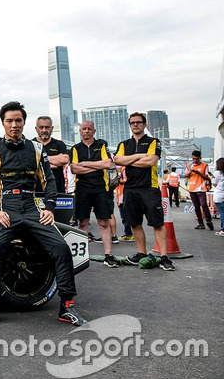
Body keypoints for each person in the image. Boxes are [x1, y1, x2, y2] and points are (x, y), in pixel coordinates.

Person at [0, 101, 85, 327]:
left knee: (61, 248)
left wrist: (50, 209)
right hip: (7, 208)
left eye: (18, 120)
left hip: (33, 208)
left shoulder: (37, 148)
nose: (14, 125)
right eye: (9, 121)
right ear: (3, 123)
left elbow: (49, 182)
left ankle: (67, 306)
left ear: (24, 122)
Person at [114, 112, 174, 270]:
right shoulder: (123, 144)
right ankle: (141, 253)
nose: (135, 125)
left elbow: (151, 161)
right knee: (134, 223)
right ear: (130, 125)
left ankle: (164, 257)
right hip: (130, 189)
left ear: (145, 124)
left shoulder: (154, 141)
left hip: (149, 188)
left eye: (139, 122)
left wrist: (130, 160)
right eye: (132, 122)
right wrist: (140, 156)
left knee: (157, 223)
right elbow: (118, 160)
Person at [69, 121, 117, 267]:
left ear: (94, 131)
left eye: (89, 129)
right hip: (82, 189)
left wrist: (85, 164)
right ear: (80, 131)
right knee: (82, 223)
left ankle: (108, 255)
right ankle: (82, 256)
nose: (87, 131)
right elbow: (74, 169)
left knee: (104, 222)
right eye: (84, 129)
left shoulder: (101, 144)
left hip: (100, 189)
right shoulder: (75, 148)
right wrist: (96, 165)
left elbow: (107, 163)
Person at [34, 116, 69, 193]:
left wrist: (39, 160)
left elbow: (65, 159)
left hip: (57, 187)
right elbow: (29, 163)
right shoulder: (30, 144)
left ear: (52, 128)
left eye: (47, 127)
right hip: (36, 189)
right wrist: (54, 162)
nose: (44, 130)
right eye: (41, 127)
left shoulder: (59, 144)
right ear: (36, 129)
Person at [185, 150, 213, 230]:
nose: (195, 161)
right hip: (192, 188)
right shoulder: (189, 165)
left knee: (203, 204)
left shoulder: (204, 165)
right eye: (193, 159)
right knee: (196, 206)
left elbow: (207, 177)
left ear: (200, 158)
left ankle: (208, 220)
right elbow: (185, 175)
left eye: (197, 159)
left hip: (201, 188)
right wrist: (190, 172)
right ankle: (200, 223)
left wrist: (199, 173)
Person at [212, 158, 224, 236]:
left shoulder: (217, 173)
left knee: (222, 213)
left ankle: (223, 230)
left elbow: (214, 184)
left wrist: (211, 178)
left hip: (219, 196)